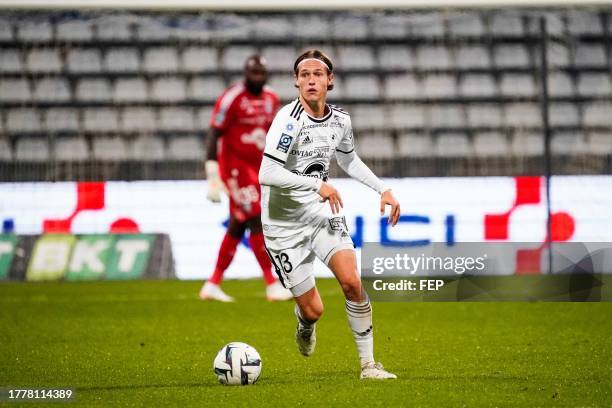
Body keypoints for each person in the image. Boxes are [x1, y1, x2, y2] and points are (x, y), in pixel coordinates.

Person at [258, 49, 401, 379]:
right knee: (314, 310)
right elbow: (266, 172)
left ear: (329, 80)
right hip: (282, 226)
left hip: (321, 215)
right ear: (296, 81)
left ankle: (368, 365)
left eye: (317, 74)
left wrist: (383, 189)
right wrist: (315, 185)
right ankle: (304, 322)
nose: (311, 80)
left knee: (352, 282)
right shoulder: (288, 121)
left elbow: (349, 160)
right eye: (304, 74)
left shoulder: (340, 121)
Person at [199, 55, 292, 302]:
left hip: (260, 169)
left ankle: (212, 284)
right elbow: (214, 133)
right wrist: (212, 175)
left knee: (238, 224)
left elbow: (276, 134)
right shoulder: (232, 98)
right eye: (253, 73)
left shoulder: (272, 98)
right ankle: (272, 284)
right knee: (256, 217)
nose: (257, 77)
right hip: (235, 169)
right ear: (245, 73)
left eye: (261, 73)